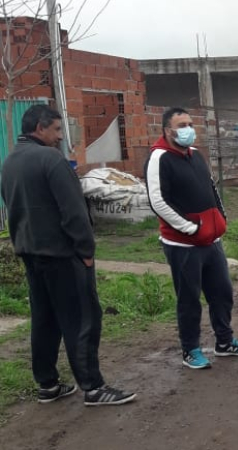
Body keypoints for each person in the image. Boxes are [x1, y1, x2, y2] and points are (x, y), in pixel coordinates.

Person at [1, 105, 136, 406]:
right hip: (62, 255)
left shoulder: (10, 161)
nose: (60, 137)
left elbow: (13, 204)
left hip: (29, 252)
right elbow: (74, 211)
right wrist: (86, 251)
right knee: (83, 318)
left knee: (45, 318)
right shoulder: (52, 160)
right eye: (57, 130)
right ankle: (93, 386)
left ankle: (47, 384)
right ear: (40, 128)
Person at [145, 107, 238, 369]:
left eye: (190, 124)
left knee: (222, 292)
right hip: (183, 245)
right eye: (181, 125)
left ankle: (225, 341)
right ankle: (190, 349)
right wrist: (190, 228)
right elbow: (158, 201)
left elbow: (211, 187)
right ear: (167, 130)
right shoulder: (159, 158)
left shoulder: (195, 155)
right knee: (189, 299)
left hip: (211, 240)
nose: (188, 129)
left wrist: (221, 217)